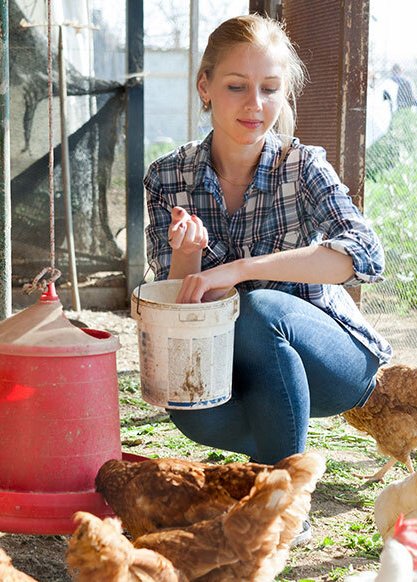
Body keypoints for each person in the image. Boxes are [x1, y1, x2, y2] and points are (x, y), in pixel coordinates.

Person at [143, 14, 393, 471]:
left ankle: (285, 501)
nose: (254, 104)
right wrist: (187, 256)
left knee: (258, 308)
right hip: (236, 372)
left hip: (330, 362)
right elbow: (178, 311)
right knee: (189, 407)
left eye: (270, 88)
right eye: (237, 86)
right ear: (206, 86)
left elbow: (366, 254)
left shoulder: (302, 166)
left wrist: (242, 270)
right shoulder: (167, 176)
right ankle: (272, 459)